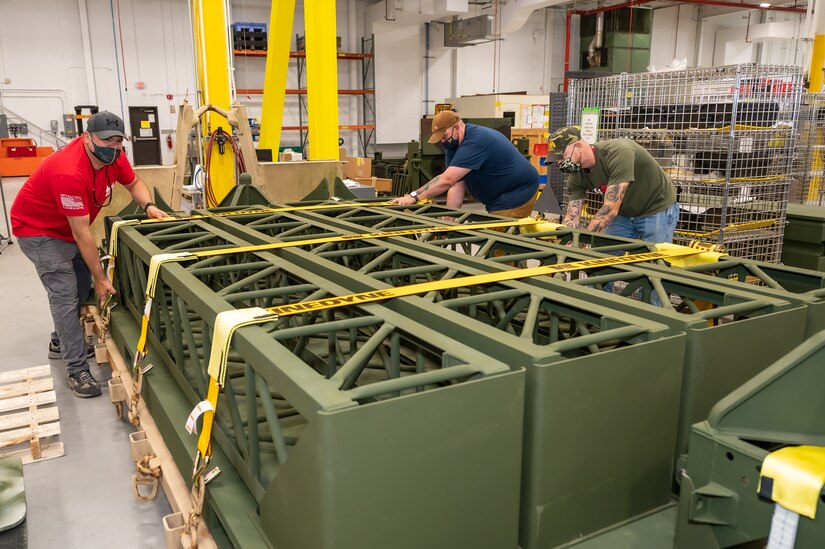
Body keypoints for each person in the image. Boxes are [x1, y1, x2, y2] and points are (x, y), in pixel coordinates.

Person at [11, 111, 169, 398]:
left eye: (119, 142)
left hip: (65, 228)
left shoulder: (114, 156)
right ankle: (76, 370)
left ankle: (60, 341)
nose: (113, 147)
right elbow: (81, 233)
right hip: (38, 230)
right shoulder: (69, 171)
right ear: (86, 138)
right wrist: (100, 278)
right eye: (107, 140)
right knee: (65, 292)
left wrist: (148, 206)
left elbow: (134, 184)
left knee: (80, 284)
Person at [392, 111, 540, 218]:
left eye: (444, 136)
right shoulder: (454, 147)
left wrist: (414, 196)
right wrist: (449, 220)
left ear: (457, 127)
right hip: (499, 197)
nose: (443, 142)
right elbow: (455, 184)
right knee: (504, 242)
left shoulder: (476, 140)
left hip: (518, 192)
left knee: (498, 244)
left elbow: (446, 180)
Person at [548, 126, 679, 243]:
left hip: (656, 208)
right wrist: (570, 242)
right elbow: (572, 216)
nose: (560, 162)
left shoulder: (619, 152)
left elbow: (610, 209)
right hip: (623, 213)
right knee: (605, 260)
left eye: (562, 156)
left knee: (655, 262)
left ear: (578, 147)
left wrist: (582, 240)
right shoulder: (576, 175)